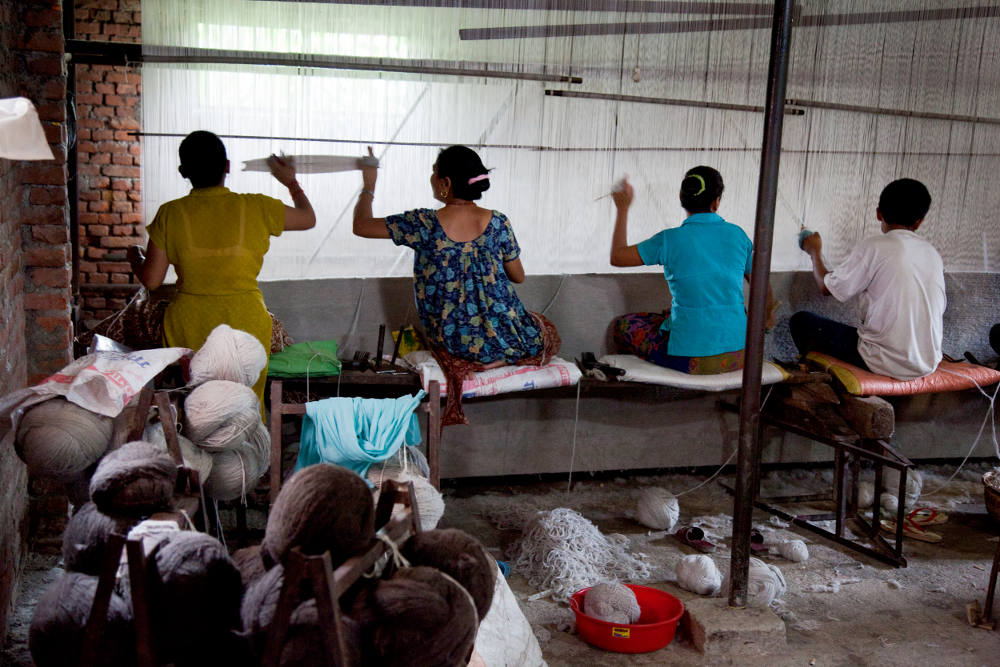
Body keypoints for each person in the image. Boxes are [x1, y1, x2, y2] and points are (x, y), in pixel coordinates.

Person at [352, 145, 559, 425]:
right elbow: (518, 276)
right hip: (503, 335)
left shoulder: (423, 224)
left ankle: (476, 359)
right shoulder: (498, 222)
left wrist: (368, 186)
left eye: (434, 172)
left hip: (453, 340)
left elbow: (361, 225)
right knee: (544, 329)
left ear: (446, 183)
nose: (431, 177)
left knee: (461, 335)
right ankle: (500, 359)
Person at [128, 130, 316, 409]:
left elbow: (153, 281)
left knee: (200, 409)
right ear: (227, 166)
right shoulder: (255, 206)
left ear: (183, 171)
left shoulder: (170, 213)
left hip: (190, 325)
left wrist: (135, 258)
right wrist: (291, 183)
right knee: (245, 406)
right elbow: (308, 218)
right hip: (246, 322)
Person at [609, 167, 774, 374]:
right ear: (716, 201)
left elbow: (617, 257)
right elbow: (762, 282)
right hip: (740, 354)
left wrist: (622, 208)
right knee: (668, 317)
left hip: (692, 360)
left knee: (624, 325)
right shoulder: (738, 235)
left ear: (681, 197)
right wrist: (767, 316)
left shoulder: (668, 240)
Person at [793, 178, 945, 380]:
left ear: (878, 213)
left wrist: (814, 252)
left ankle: (821, 379)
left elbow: (826, 288)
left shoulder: (875, 246)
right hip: (927, 362)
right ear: (919, 221)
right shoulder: (932, 253)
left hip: (884, 361)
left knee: (801, 321)